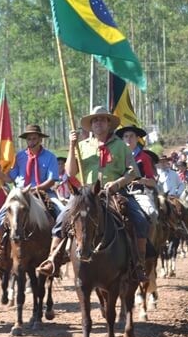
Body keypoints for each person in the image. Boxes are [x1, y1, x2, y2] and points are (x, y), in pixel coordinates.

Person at [36, 106, 149, 282]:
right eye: (95, 120)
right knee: (61, 220)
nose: (98, 123)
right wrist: (72, 144)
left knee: (141, 219)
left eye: (102, 119)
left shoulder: (121, 146)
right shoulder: (81, 146)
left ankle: (138, 264)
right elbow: (70, 172)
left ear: (108, 123)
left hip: (116, 193)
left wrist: (118, 183)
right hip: (86, 194)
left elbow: (133, 171)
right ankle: (53, 260)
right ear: (90, 125)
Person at [116, 124, 158, 224]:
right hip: (118, 192)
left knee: (152, 213)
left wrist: (141, 180)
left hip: (138, 193)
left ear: (137, 138)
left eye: (131, 136)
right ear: (122, 139)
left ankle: (149, 239)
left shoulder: (144, 157)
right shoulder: (116, 156)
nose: (128, 139)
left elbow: (153, 182)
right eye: (126, 136)